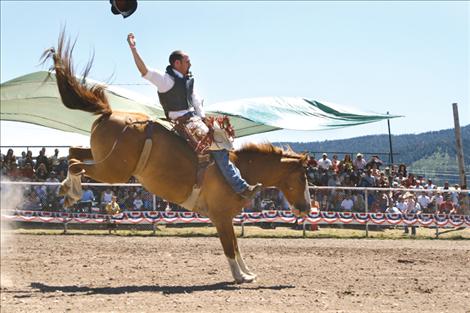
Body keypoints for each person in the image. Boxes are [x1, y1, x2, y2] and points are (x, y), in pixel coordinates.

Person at [127, 33, 262, 200]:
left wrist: (205, 119)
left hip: (196, 119)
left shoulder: (188, 81)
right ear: (177, 63)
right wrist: (133, 48)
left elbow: (196, 101)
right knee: (217, 147)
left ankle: (231, 183)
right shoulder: (165, 80)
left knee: (223, 140)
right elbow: (144, 70)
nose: (190, 63)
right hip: (182, 121)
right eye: (187, 61)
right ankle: (240, 187)